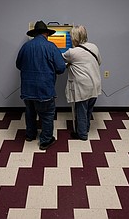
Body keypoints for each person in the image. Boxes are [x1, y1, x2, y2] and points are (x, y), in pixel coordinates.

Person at [16, 20, 66, 150]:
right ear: (46, 34)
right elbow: (61, 68)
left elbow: (18, 65)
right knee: (47, 114)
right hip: (44, 89)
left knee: (30, 112)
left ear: (34, 34)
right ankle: (45, 140)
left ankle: (30, 135)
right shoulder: (51, 47)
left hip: (27, 89)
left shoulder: (25, 47)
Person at [62, 25, 102, 140]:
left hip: (83, 87)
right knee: (88, 110)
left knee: (81, 111)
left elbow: (58, 60)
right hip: (95, 84)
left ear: (74, 38)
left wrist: (69, 64)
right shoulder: (94, 47)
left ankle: (82, 134)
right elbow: (99, 61)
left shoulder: (72, 52)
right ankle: (86, 128)